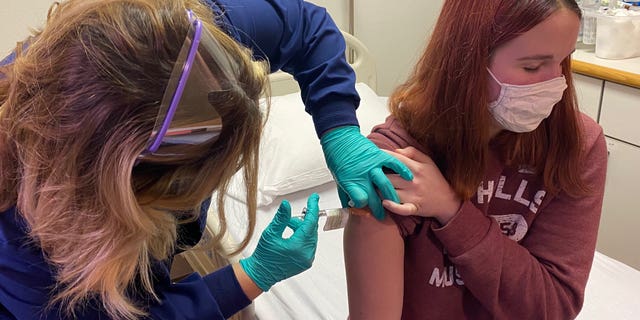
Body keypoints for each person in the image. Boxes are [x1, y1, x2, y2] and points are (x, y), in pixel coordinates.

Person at [0, 0, 324, 319]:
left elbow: (305, 24)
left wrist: (340, 131)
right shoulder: (28, 258)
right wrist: (253, 276)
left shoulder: (171, 48)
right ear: (126, 187)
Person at [344, 0, 608, 319]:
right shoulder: (399, 158)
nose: (557, 86)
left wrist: (452, 211)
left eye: (564, 62)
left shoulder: (577, 145)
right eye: (532, 66)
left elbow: (553, 307)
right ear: (468, 61)